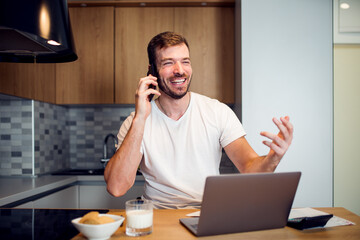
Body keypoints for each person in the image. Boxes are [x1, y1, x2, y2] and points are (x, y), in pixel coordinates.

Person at [104, 31, 293, 209]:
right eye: (168, 63)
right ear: (152, 70)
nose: (180, 71)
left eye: (185, 61)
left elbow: (250, 169)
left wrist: (273, 159)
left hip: (206, 214)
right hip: (158, 216)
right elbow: (116, 187)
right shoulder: (135, 122)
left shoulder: (217, 112)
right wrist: (140, 119)